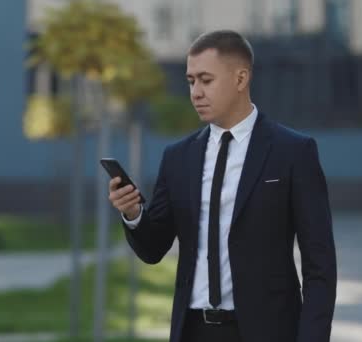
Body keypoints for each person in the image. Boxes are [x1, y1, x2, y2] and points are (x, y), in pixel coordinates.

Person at [108, 30, 337, 342]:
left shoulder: (293, 152)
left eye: (206, 79)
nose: (195, 92)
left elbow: (320, 266)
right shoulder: (178, 158)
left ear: (241, 79)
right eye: (191, 81)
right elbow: (153, 248)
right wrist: (134, 212)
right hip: (193, 331)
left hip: (267, 332)